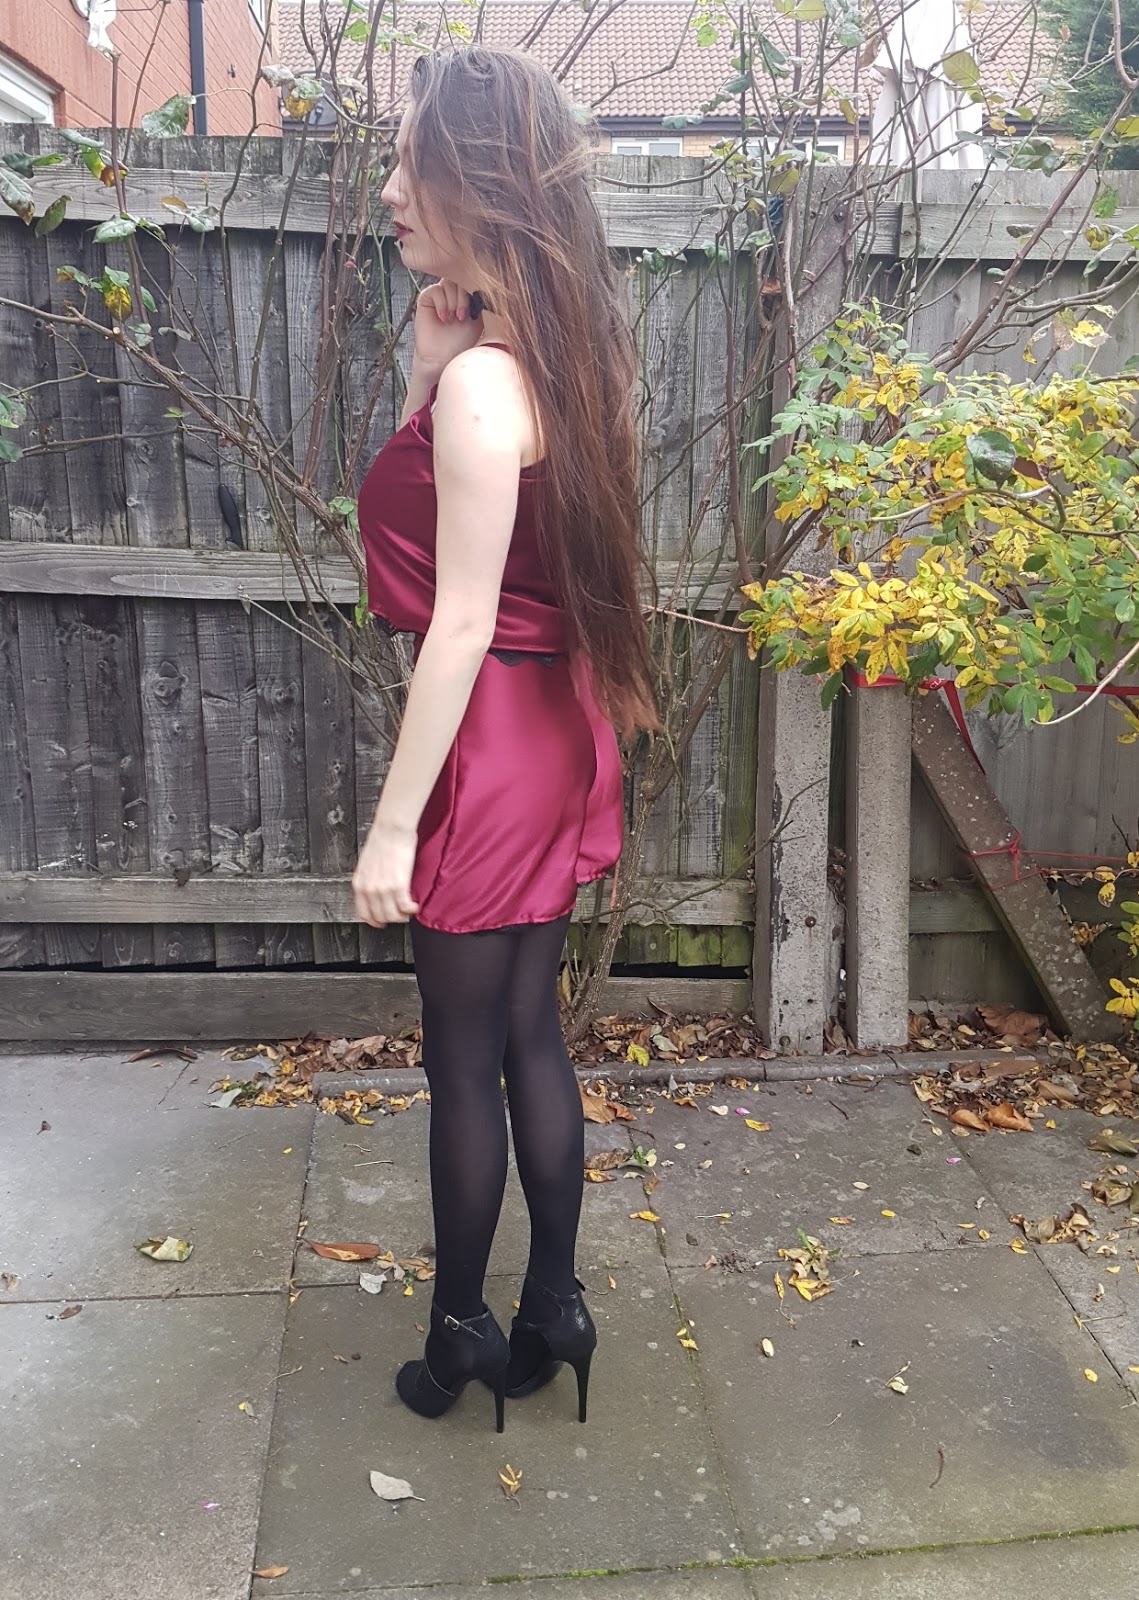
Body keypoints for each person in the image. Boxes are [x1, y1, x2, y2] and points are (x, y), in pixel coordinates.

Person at [352, 43, 661, 1435]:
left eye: (409, 159)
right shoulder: (563, 356)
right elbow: (480, 549)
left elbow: (460, 619)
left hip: (488, 747)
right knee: (530, 1032)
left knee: (461, 1058)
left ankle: (460, 1335)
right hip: (557, 728)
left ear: (474, 175)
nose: (390, 187)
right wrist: (427, 368)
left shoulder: (489, 385)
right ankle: (553, 1308)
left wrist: (393, 826)